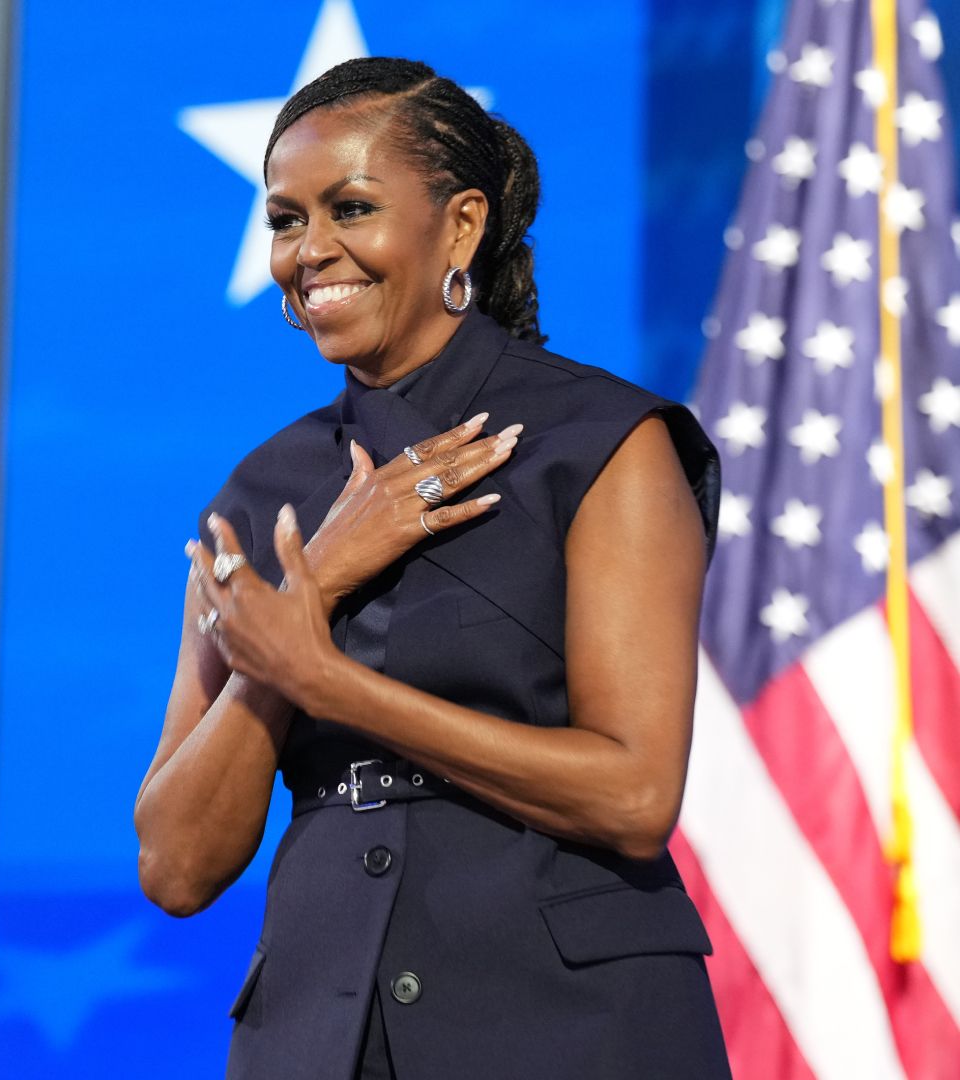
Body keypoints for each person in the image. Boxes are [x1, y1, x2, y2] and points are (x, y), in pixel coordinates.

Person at [134, 57, 730, 1079]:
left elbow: (634, 794)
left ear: (460, 226)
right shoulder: (261, 494)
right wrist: (314, 581)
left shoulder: (604, 441)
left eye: (351, 208)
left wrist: (327, 681)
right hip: (322, 1035)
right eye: (285, 219)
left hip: (572, 1024)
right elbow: (178, 864)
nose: (309, 250)